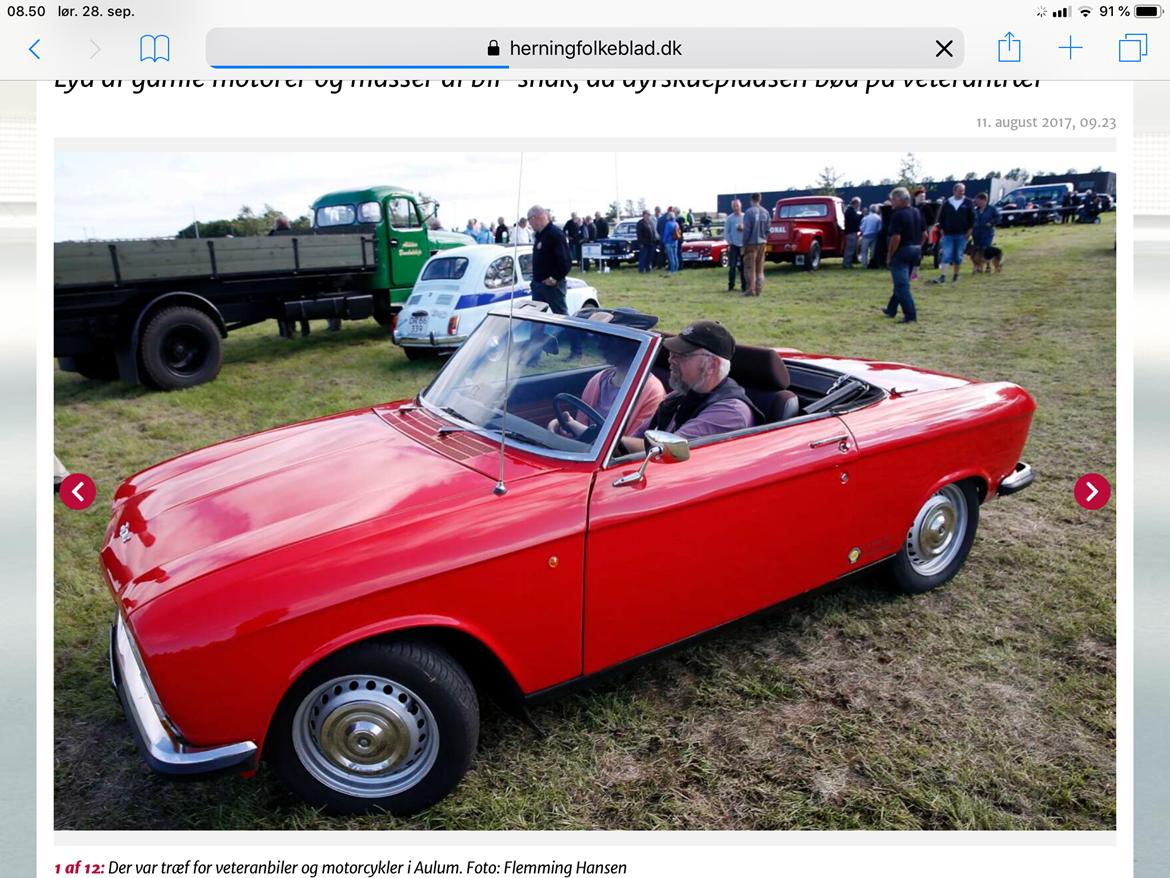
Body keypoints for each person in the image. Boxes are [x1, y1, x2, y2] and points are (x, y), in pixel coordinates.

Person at [620, 320, 759, 454]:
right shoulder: (678, 396)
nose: (671, 359)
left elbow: (669, 450)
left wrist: (615, 445)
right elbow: (637, 438)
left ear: (712, 365)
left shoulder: (730, 413)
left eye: (682, 355)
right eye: (672, 353)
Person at [548, 314, 667, 441]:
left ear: (632, 344)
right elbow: (581, 424)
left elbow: (633, 445)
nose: (601, 346)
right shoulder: (598, 380)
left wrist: (577, 428)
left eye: (610, 341)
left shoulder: (652, 392)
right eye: (602, 340)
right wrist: (569, 426)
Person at [880, 187, 925, 325]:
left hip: (902, 251)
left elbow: (896, 237)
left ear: (899, 199)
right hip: (915, 249)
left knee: (901, 285)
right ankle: (891, 309)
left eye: (893, 199)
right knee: (902, 283)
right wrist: (918, 247)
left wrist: (889, 254)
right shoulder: (917, 212)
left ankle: (910, 315)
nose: (891, 202)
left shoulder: (897, 215)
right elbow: (925, 235)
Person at [527, 205, 571, 314]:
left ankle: (565, 332)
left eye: (529, 220)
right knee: (536, 318)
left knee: (560, 316)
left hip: (552, 286)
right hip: (538, 285)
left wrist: (555, 277)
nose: (529, 224)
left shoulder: (555, 234)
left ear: (534, 218)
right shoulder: (540, 235)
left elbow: (566, 261)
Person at [931, 182, 975, 284]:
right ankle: (942, 276)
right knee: (946, 254)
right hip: (948, 234)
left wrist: (969, 231)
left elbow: (972, 218)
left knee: (958, 256)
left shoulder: (968, 202)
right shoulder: (947, 203)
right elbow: (941, 218)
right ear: (954, 191)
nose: (962, 193)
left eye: (963, 191)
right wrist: (942, 230)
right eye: (960, 191)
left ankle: (956, 275)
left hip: (962, 234)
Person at [740, 193, 770, 296]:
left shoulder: (749, 212)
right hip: (762, 243)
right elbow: (768, 230)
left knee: (750, 268)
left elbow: (746, 230)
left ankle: (750, 290)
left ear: (751, 200)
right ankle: (759, 289)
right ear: (760, 199)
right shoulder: (765, 212)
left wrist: (744, 244)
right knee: (760, 268)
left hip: (751, 244)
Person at [971, 193, 1000, 273]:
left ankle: (988, 266)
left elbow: (998, 217)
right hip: (976, 233)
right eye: (976, 201)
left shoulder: (991, 209)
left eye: (978, 201)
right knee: (977, 251)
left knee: (986, 249)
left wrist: (991, 223)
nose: (977, 202)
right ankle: (978, 267)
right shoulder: (975, 210)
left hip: (987, 233)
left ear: (984, 200)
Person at [724, 198, 746, 293]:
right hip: (733, 245)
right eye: (734, 206)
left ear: (740, 206)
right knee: (732, 266)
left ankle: (744, 286)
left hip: (743, 245)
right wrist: (730, 242)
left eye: (737, 206)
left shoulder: (745, 217)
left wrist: (743, 228)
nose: (736, 208)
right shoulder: (729, 218)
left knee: (743, 266)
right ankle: (731, 285)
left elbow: (750, 229)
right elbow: (726, 232)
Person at [842, 197, 862, 268]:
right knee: (850, 248)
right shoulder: (851, 211)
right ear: (856, 203)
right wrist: (861, 216)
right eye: (859, 204)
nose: (859, 206)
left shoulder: (849, 210)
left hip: (849, 231)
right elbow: (854, 221)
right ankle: (846, 264)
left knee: (850, 248)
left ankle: (848, 263)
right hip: (851, 232)